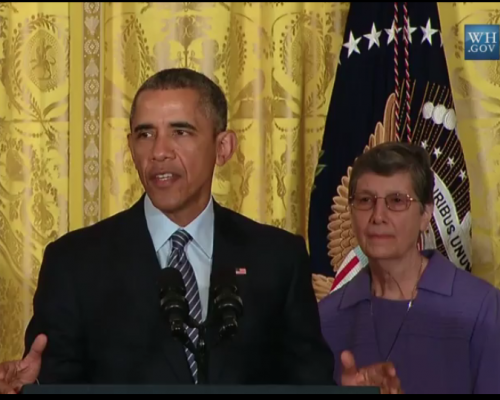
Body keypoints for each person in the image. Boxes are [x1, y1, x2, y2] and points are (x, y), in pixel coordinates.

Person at [0, 68, 400, 394]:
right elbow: (54, 383)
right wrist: (28, 389)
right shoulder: (74, 262)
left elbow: (304, 382)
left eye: (180, 131)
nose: (159, 151)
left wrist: (342, 394)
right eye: (145, 134)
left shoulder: (277, 258)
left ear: (223, 147)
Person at [318, 141, 500, 394]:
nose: (378, 215)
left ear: (426, 214)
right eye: (365, 200)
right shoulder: (326, 318)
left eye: (396, 200)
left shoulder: (480, 309)